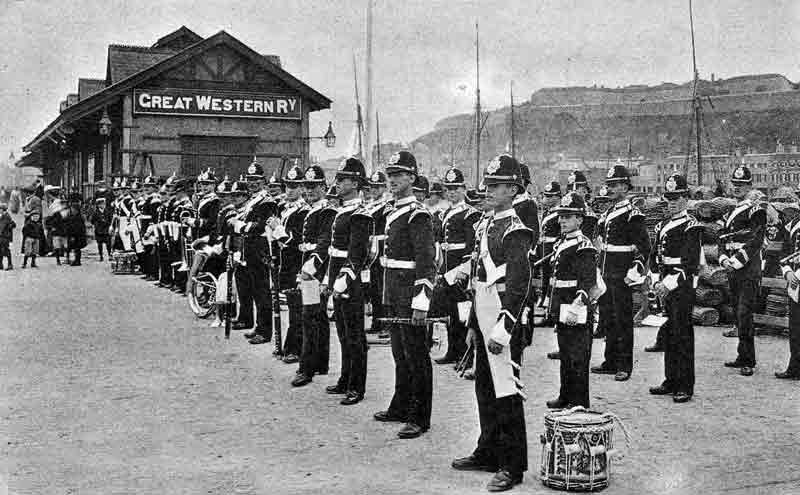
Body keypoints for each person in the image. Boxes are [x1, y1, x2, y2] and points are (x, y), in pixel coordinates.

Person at [452, 154, 532, 492]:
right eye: (488, 184)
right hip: (483, 310)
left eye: (497, 185)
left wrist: (503, 326)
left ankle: (513, 466)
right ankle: (488, 451)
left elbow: (518, 284)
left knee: (506, 390)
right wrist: (473, 323)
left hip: (503, 316)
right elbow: (477, 279)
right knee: (484, 386)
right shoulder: (485, 224)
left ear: (513, 189)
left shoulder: (516, 229)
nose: (490, 190)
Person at [372, 150, 436, 439]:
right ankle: (400, 405)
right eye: (390, 175)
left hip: (410, 292)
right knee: (399, 353)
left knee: (416, 355)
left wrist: (421, 301)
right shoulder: (393, 210)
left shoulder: (418, 214)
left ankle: (419, 416)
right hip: (393, 290)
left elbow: (426, 261)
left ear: (412, 177)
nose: (393, 180)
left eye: (399, 174)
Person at [591, 165, 650, 382]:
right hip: (606, 272)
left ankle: (624, 365)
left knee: (623, 320)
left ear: (625, 187)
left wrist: (634, 270)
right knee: (608, 318)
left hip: (621, 272)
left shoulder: (632, 214)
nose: (612, 189)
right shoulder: (608, 212)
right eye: (609, 185)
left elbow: (644, 246)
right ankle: (610, 360)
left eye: (616, 185)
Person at [323, 156, 373, 405]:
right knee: (342, 332)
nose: (338, 184)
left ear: (355, 183)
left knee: (355, 335)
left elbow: (357, 252)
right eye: (339, 179)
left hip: (350, 280)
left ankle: (357, 385)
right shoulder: (344, 209)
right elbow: (334, 249)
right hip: (338, 276)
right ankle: (345, 377)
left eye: (343, 180)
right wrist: (328, 279)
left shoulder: (360, 213)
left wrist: (344, 278)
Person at [648, 174, 702, 402]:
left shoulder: (692, 226)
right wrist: (653, 279)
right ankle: (670, 380)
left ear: (685, 199)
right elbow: (654, 256)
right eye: (669, 197)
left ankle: (684, 385)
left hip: (680, 285)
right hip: (663, 283)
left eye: (677, 198)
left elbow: (689, 264)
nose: (672, 202)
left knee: (682, 334)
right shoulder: (663, 224)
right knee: (669, 334)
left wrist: (667, 284)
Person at [545, 191, 597, 409]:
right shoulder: (562, 242)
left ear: (580, 219)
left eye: (568, 217)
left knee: (577, 356)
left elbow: (587, 280)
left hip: (575, 305)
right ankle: (565, 395)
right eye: (561, 216)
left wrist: (579, 304)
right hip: (561, 303)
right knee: (566, 354)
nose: (562, 220)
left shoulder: (583, 245)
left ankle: (578, 401)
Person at [718, 166, 766, 377]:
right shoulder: (729, 212)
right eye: (735, 184)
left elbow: (756, 240)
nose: (737, 188)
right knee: (737, 311)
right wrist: (722, 258)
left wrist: (736, 261)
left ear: (750, 186)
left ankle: (748, 359)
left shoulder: (755, 210)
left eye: (742, 185)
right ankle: (741, 355)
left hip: (747, 268)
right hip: (732, 267)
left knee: (744, 313)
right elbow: (721, 238)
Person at [291, 165, 337, 387]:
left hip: (316, 270)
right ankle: (320, 363)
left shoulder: (327, 211)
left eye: (314, 187)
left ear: (323, 187)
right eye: (306, 186)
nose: (309, 191)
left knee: (310, 316)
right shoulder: (311, 209)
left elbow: (324, 243)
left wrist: (309, 269)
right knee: (317, 316)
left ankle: (306, 368)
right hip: (309, 266)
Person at [432, 167, 480, 366]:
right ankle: (453, 350)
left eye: (455, 188)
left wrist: (464, 269)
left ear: (463, 189)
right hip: (447, 268)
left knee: (462, 313)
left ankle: (465, 354)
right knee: (450, 312)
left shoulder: (470, 213)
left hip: (460, 269)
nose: (451, 192)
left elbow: (471, 246)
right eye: (448, 188)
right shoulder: (446, 212)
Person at [232, 161, 277, 344]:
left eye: (256, 180)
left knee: (262, 292)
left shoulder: (267, 201)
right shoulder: (253, 200)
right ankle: (259, 326)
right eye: (250, 180)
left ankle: (265, 331)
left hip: (260, 251)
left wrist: (242, 226)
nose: (252, 183)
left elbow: (263, 225)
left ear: (264, 181)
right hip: (249, 251)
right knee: (255, 291)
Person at [270, 164, 309, 363]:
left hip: (297, 264)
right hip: (284, 264)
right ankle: (289, 346)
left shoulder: (304, 212)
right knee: (292, 308)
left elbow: (295, 243)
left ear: (303, 187)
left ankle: (296, 349)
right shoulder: (284, 209)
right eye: (288, 186)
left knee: (298, 310)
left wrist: (278, 231)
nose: (290, 190)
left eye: (295, 186)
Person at [366, 171, 392, 336]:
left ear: (384, 187)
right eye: (372, 187)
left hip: (381, 249)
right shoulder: (368, 205)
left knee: (383, 288)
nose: (374, 190)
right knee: (372, 287)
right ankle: (376, 321)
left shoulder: (388, 205)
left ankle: (386, 324)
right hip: (369, 248)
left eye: (378, 187)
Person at [778, 198, 800, 380]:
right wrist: (787, 273)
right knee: (795, 327)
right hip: (796, 282)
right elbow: (784, 253)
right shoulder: (792, 225)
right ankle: (795, 367)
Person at [65, 195, 87, 266]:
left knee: (76, 248)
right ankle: (76, 260)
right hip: (77, 235)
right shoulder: (77, 217)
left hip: (76, 235)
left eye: (73, 209)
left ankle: (77, 261)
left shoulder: (76, 218)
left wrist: (72, 236)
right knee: (76, 248)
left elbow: (75, 228)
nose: (72, 210)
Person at [0, 203, 15, 270]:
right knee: (1, 250)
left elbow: (3, 226)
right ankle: (1, 264)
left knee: (6, 250)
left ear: (2, 210)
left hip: (5, 236)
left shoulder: (7, 216)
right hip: (2, 236)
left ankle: (10, 264)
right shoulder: (2, 215)